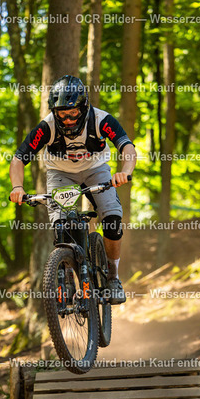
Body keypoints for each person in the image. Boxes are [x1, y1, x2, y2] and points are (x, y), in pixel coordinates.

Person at [9, 74, 137, 303]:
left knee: (112, 219)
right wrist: (17, 187)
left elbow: (127, 147)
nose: (67, 120)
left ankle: (113, 277)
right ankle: (67, 276)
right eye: (62, 114)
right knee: (61, 224)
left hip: (96, 169)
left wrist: (125, 171)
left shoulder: (101, 119)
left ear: (83, 107)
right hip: (61, 173)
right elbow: (18, 159)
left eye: (73, 113)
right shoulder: (47, 126)